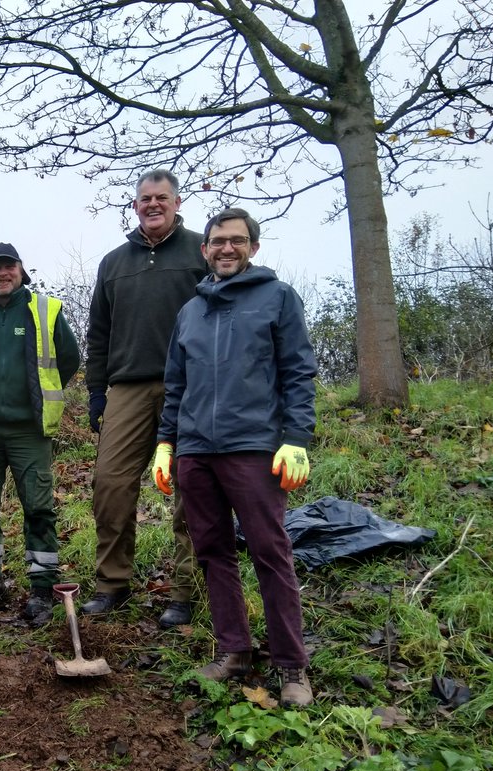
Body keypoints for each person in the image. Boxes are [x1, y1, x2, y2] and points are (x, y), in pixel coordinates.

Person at [153, 208, 317, 707]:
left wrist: (297, 437)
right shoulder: (191, 311)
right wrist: (166, 442)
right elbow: (176, 384)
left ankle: (291, 667)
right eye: (218, 241)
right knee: (212, 552)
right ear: (204, 249)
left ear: (253, 248)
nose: (227, 248)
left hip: (253, 449)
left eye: (237, 241)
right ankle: (234, 651)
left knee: (270, 551)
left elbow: (297, 371)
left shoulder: (278, 298)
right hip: (197, 451)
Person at [84, 169, 209, 626]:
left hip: (192, 387)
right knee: (111, 484)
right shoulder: (113, 263)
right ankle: (112, 583)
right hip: (129, 388)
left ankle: (186, 590)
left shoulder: (202, 251)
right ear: (134, 206)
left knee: (189, 490)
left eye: (162, 198)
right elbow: (98, 333)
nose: (153, 205)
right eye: (145, 199)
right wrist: (97, 392)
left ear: (177, 203)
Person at [0, 242, 81, 626]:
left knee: (39, 507)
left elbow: (70, 359)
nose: (2, 273)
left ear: (22, 270)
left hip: (30, 430)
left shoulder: (46, 310)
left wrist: (41, 395)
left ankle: (42, 588)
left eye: (9, 266)